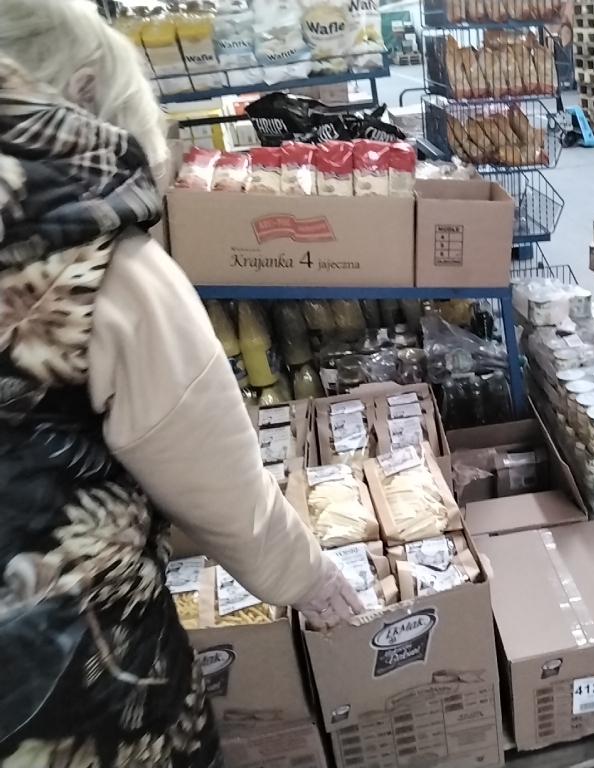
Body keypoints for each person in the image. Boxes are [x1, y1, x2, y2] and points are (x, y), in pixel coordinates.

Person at [0, 2, 364, 766]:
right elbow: (214, 479)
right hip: (66, 675)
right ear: (82, 92)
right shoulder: (102, 267)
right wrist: (304, 576)